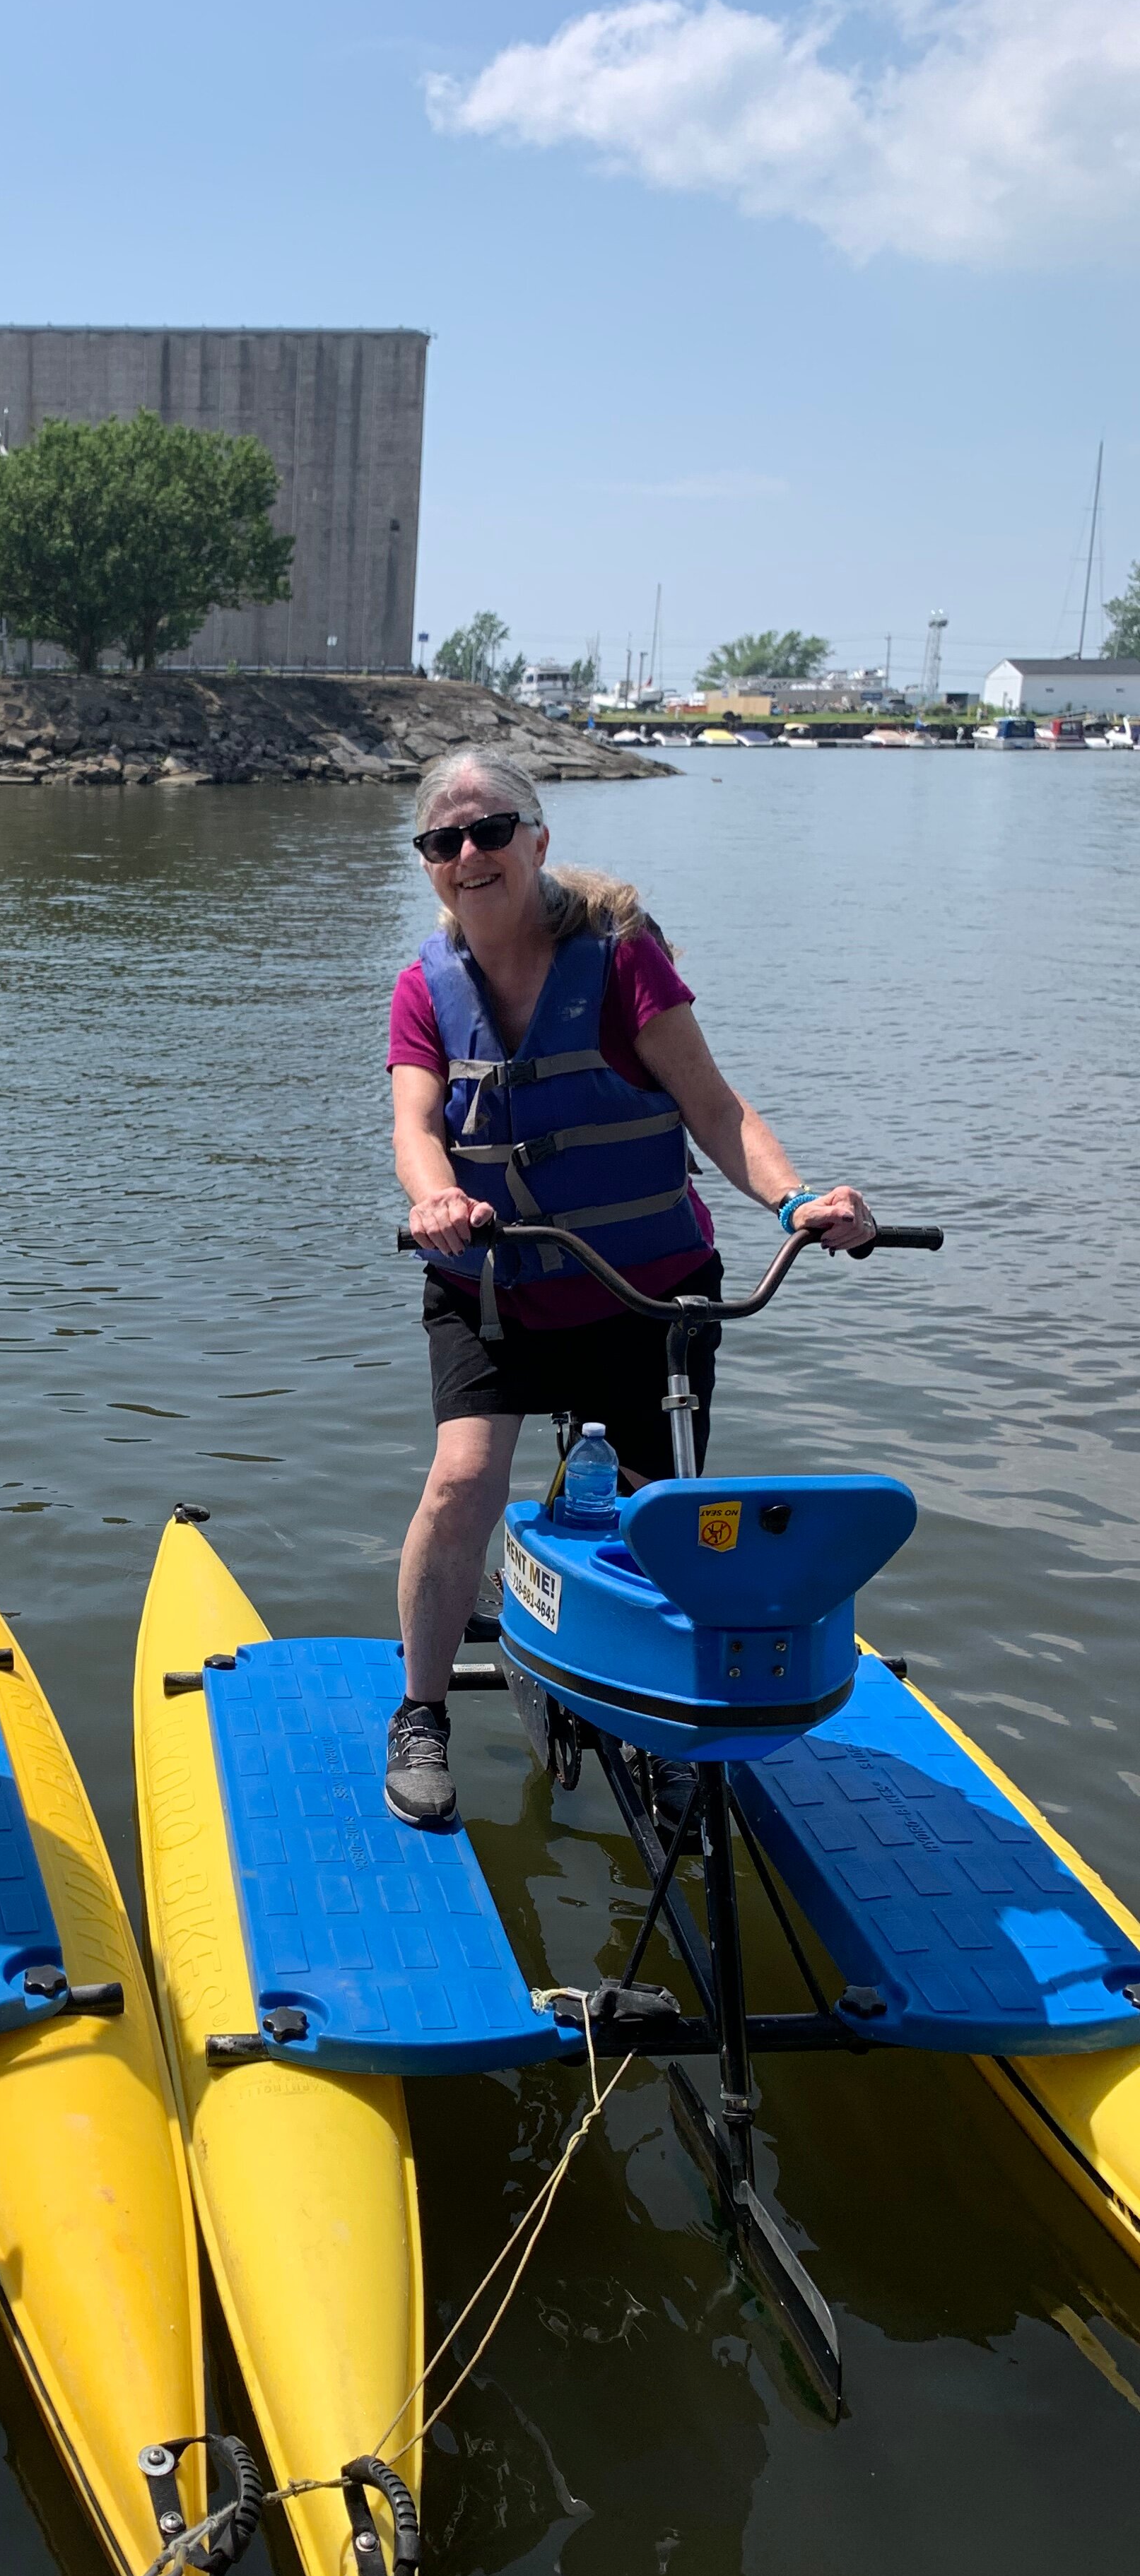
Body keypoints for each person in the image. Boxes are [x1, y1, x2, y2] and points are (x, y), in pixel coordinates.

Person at [386, 749, 871, 1827]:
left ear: (538, 840)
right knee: (464, 1482)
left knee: (667, 1512)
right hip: (496, 1287)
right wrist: (434, 1201)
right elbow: (416, 1127)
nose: (470, 854)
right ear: (427, 866)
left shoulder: (620, 959)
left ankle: (656, 1724)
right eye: (443, 841)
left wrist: (797, 1204)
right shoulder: (425, 986)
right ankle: (420, 1713)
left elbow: (713, 1105)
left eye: (492, 830)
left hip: (647, 1293)